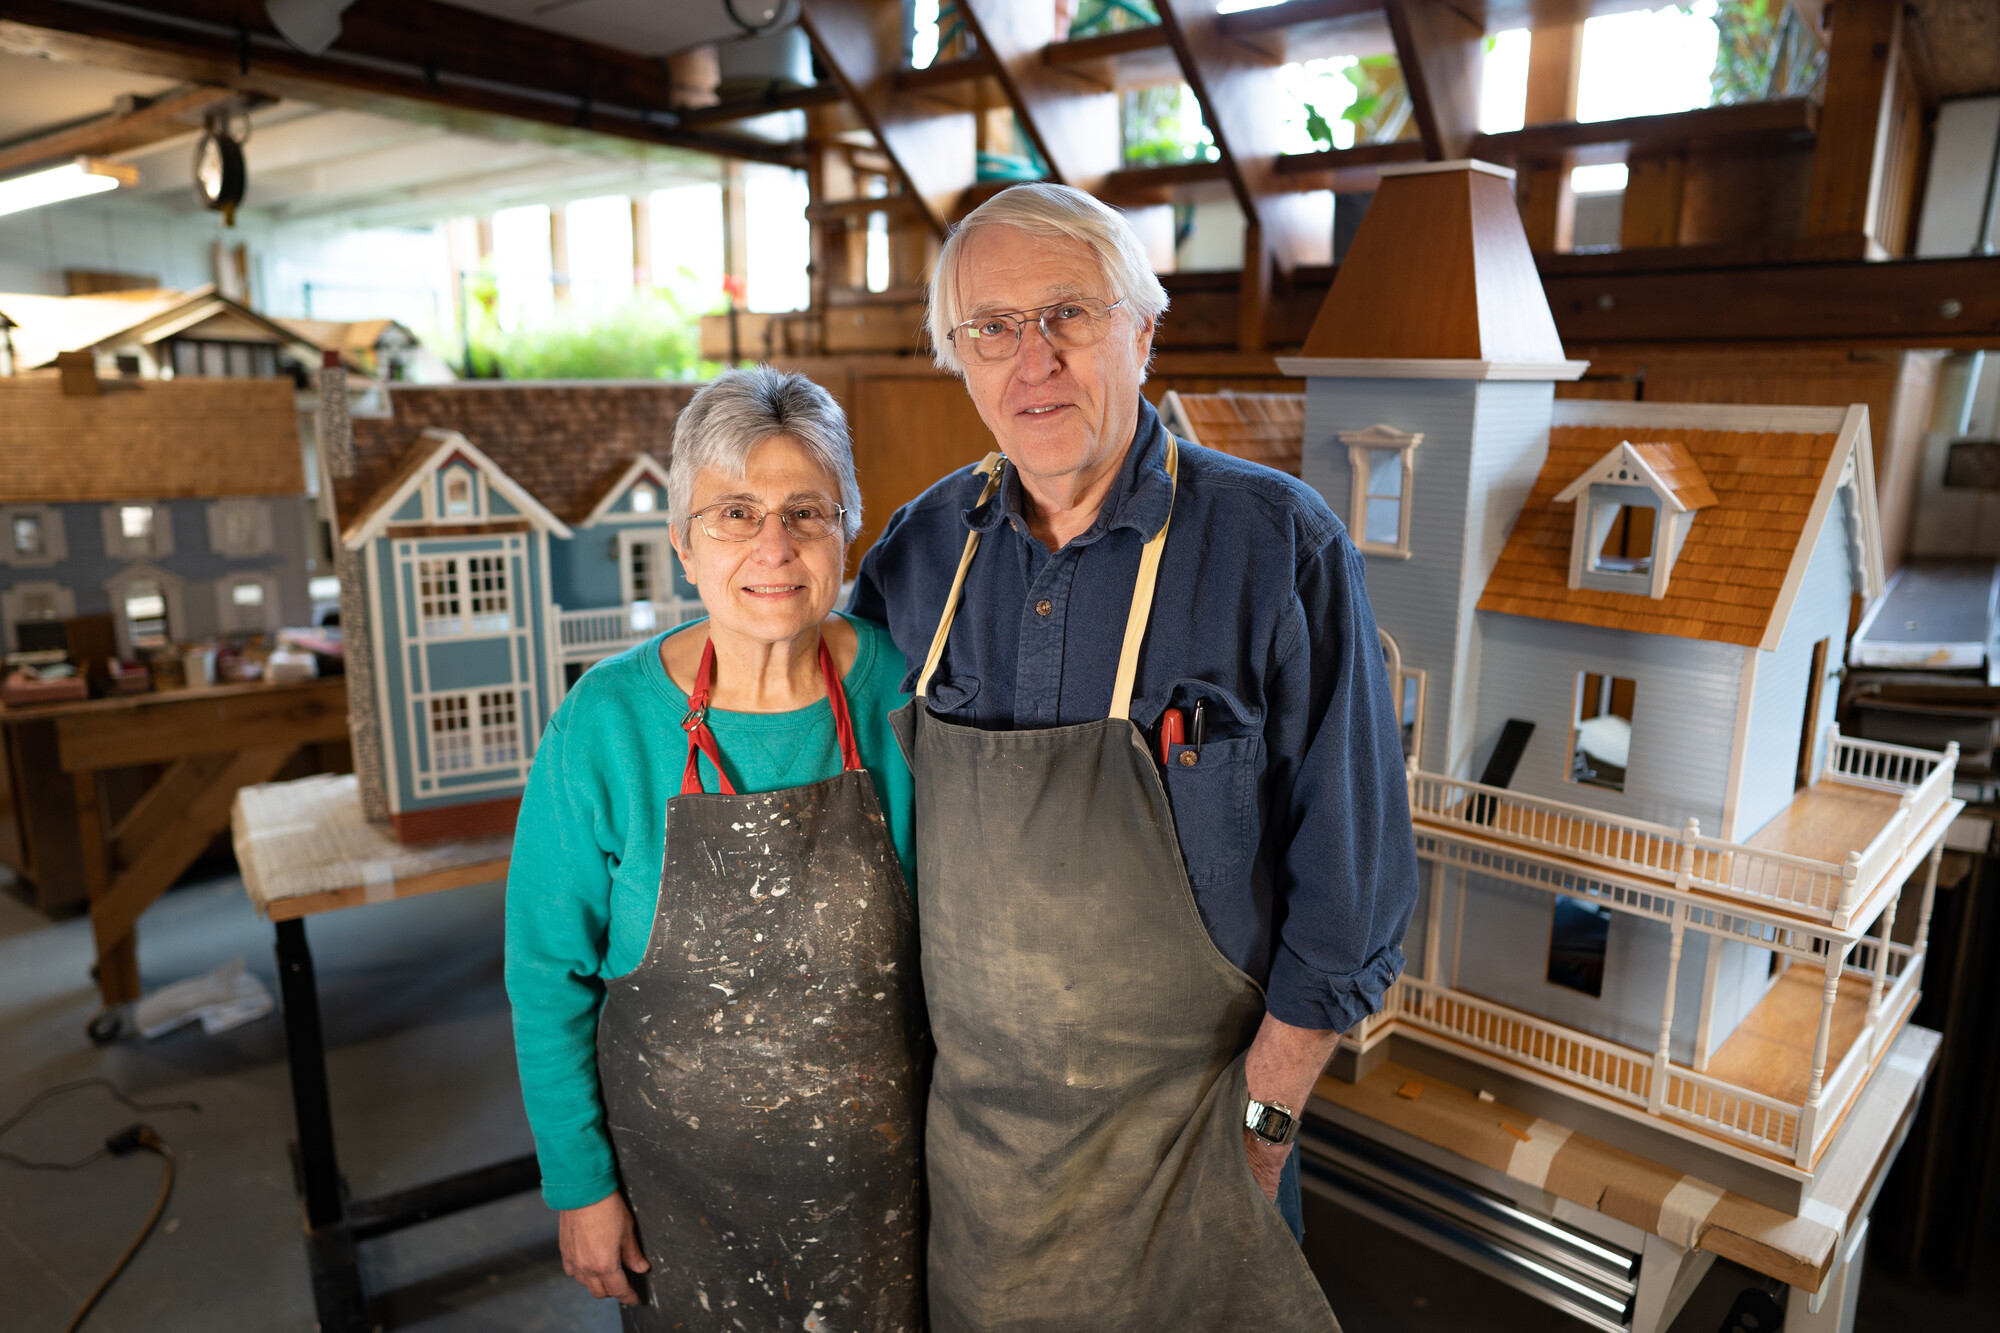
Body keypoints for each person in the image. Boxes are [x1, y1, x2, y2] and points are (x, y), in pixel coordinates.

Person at [852, 182, 1419, 1331]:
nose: (1033, 361)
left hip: (1198, 1164)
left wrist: (1259, 1136)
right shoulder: (917, 558)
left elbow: (1351, 895)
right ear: (958, 359)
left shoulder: (1277, 546)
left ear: (1143, 331)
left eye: (1070, 313)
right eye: (992, 328)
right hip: (981, 1184)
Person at [507, 367, 924, 1331]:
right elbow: (545, 972)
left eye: (805, 512)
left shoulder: (905, 700)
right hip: (675, 1206)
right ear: (682, 545)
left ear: (845, 533)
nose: (773, 546)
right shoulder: (604, 725)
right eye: (735, 513)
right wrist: (579, 1184)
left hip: (886, 1198)